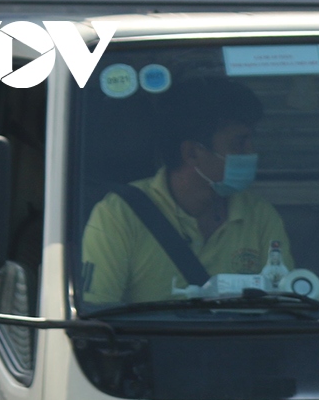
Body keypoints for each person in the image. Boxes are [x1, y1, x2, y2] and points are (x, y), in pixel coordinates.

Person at [80, 77, 294, 305]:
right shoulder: (118, 216)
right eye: (239, 143)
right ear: (192, 152)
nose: (251, 152)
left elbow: (285, 301)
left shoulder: (258, 215)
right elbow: (96, 316)